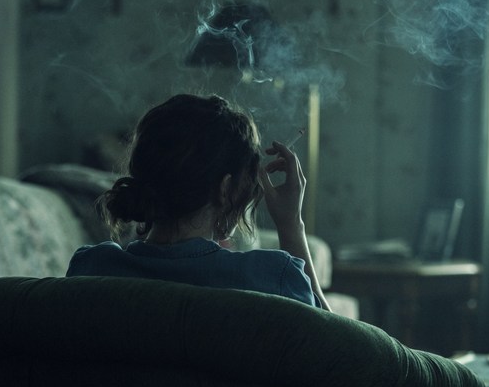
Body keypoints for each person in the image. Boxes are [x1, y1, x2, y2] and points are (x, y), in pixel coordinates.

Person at [66, 93, 331, 311]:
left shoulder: (90, 267)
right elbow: (335, 347)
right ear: (225, 188)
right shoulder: (274, 276)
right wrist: (291, 225)